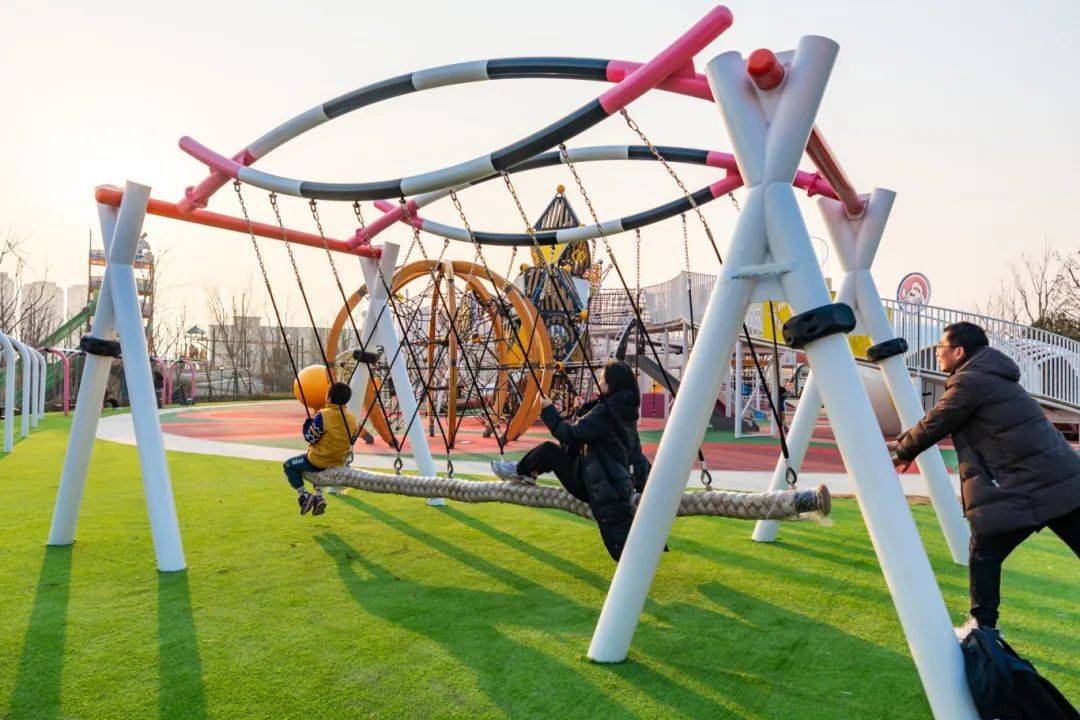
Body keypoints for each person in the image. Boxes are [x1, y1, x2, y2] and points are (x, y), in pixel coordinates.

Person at [888, 321, 1080, 635]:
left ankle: (983, 626)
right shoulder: (989, 376)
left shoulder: (971, 381)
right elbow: (940, 418)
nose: (937, 353)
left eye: (942, 348)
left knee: (985, 550)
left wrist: (904, 451)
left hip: (1033, 484)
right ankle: (983, 623)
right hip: (1062, 480)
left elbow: (939, 421)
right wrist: (906, 441)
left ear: (959, 352)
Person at [491, 360, 646, 561]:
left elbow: (570, 435)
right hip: (611, 483)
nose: (599, 384)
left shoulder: (604, 412)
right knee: (554, 451)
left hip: (594, 485)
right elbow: (633, 453)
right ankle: (527, 472)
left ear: (611, 385)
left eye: (602, 380)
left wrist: (548, 410)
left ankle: (521, 470)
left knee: (549, 450)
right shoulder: (624, 412)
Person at [283, 382, 359, 517]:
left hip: (318, 461)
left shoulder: (323, 415)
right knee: (316, 471)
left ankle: (304, 495)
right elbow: (352, 439)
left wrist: (306, 427)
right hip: (338, 461)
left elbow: (310, 438)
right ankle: (319, 496)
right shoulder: (352, 418)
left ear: (329, 397)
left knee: (289, 465)